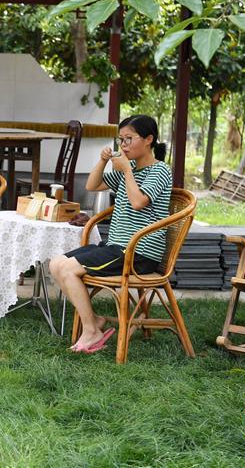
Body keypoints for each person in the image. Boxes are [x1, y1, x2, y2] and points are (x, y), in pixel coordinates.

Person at [49, 115, 172, 354]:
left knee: (69, 270)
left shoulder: (160, 171)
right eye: (121, 140)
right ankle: (94, 321)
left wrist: (126, 170)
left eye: (129, 139)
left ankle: (91, 331)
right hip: (117, 247)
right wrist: (103, 160)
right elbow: (92, 186)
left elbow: (138, 202)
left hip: (138, 253)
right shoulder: (131, 168)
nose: (123, 145)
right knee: (56, 264)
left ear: (149, 140)